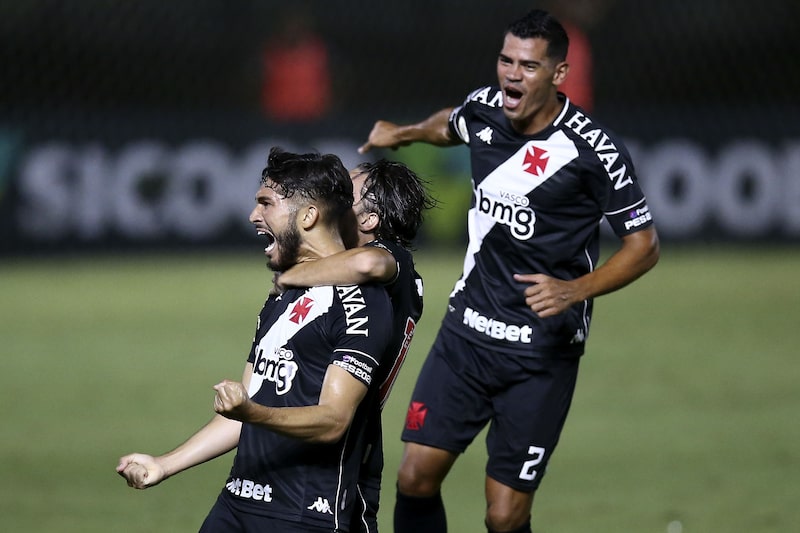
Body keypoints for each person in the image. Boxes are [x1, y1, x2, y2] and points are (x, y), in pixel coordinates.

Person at [358, 9, 660, 533]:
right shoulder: (486, 109)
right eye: (505, 60)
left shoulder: (595, 151)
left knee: (504, 514)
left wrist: (576, 290)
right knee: (414, 478)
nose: (512, 74)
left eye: (528, 65)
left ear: (558, 74)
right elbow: (451, 122)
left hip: (541, 352)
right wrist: (403, 132)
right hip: (466, 334)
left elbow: (644, 245)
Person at [116, 147, 394, 532]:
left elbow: (333, 420)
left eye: (266, 203)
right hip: (237, 504)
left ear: (309, 216)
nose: (253, 215)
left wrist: (252, 413)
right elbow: (245, 408)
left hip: (302, 514)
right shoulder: (284, 292)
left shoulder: (360, 302)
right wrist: (164, 464)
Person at [275, 159, 436, 532]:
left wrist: (292, 277)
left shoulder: (393, 261)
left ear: (369, 220)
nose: (333, 199)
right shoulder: (394, 278)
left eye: (345, 195)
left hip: (349, 444)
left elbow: (368, 263)